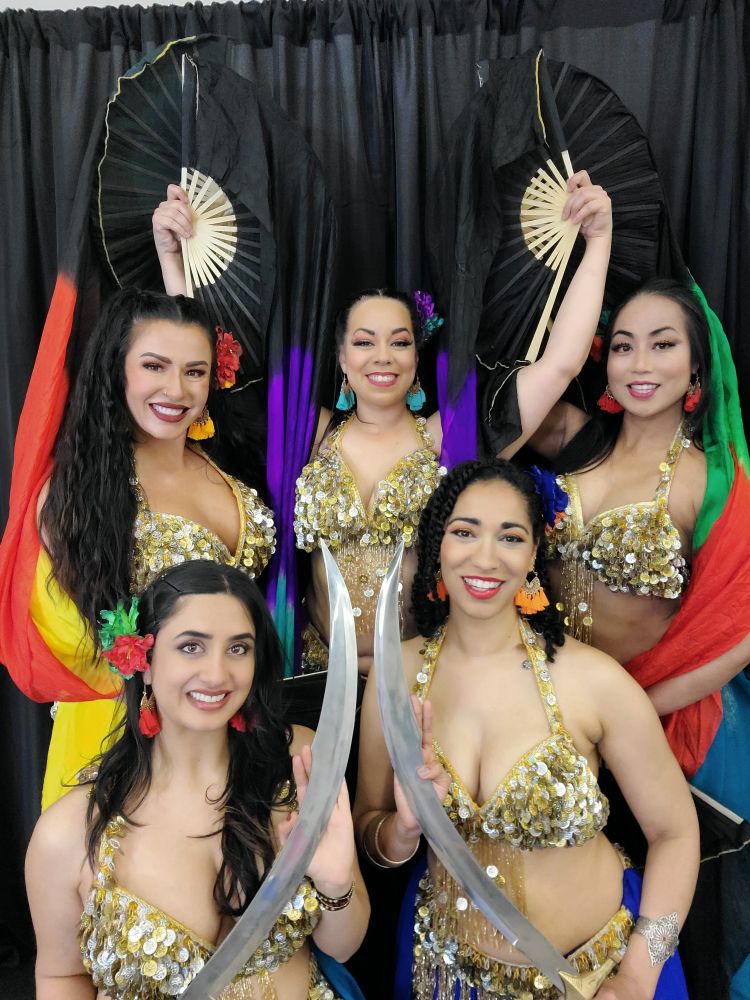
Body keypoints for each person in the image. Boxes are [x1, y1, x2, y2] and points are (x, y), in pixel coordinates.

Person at [153, 175, 613, 678]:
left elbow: (561, 364)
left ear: (417, 359)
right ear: (342, 358)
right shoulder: (303, 435)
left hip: (423, 679)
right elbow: (213, 380)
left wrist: (599, 241)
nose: (383, 356)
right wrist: (173, 261)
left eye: (399, 342)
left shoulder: (450, 442)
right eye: (365, 341)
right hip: (313, 676)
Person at [354, 459, 698, 999]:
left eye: (509, 537)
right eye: (464, 532)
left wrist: (638, 974)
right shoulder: (394, 680)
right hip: (444, 976)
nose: (485, 557)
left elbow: (676, 834)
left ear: (533, 553)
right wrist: (402, 830)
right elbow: (369, 836)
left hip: (600, 977)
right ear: (436, 545)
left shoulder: (592, 681)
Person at [537, 278, 750, 995]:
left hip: (653, 725)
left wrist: (630, 712)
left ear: (696, 368)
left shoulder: (709, 481)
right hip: (545, 713)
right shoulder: (570, 438)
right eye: (623, 345)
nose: (639, 363)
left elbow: (737, 634)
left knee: (656, 908)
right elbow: (500, 403)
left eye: (663, 345)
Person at [26, 560, 369, 1000]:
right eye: (191, 646)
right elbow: (61, 977)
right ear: (144, 661)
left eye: (238, 648)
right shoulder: (68, 833)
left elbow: (343, 946)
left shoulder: (299, 762)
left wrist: (336, 885)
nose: (216, 674)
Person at [0, 288, 276, 810]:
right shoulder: (81, 493)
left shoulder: (222, 463)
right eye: (154, 365)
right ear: (116, 370)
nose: (177, 388)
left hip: (233, 727)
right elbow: (75, 640)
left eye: (195, 371)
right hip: (125, 740)